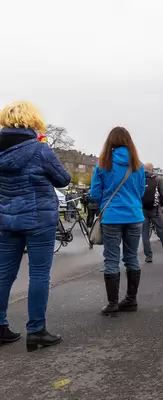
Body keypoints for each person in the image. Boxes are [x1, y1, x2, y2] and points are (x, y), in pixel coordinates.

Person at [0, 101, 71, 349]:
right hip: (39, 219)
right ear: (33, 120)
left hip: (7, 219)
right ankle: (36, 330)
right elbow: (63, 179)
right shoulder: (39, 150)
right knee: (39, 273)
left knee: (3, 274)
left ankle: (0, 327)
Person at [91, 127, 146, 315]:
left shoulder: (103, 163)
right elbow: (140, 192)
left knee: (111, 259)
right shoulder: (137, 165)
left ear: (110, 142)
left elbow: (95, 192)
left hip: (112, 217)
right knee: (132, 257)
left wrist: (106, 204)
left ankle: (112, 303)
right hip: (134, 216)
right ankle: (131, 300)